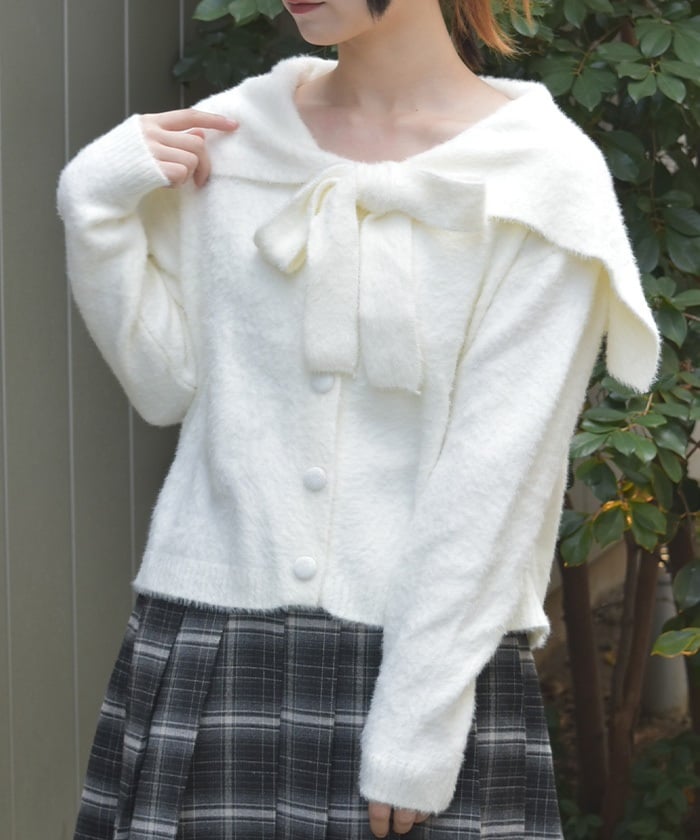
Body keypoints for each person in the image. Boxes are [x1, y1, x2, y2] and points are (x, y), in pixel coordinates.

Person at [57, 0, 659, 837]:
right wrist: (92, 207)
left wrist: (417, 725)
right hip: (212, 642)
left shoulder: (540, 174)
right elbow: (167, 386)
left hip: (431, 673)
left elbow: (498, 475)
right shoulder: (231, 139)